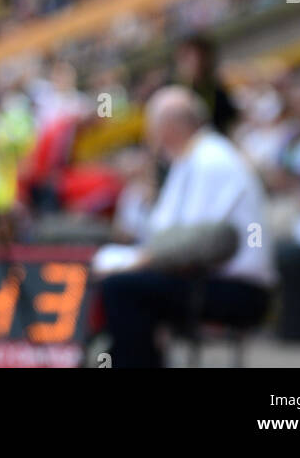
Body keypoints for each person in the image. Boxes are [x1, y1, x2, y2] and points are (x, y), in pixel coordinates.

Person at [98, 86, 274, 367]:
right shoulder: (194, 157)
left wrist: (138, 262)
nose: (150, 138)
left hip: (238, 289)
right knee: (120, 288)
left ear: (169, 127)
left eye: (152, 128)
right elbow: (164, 235)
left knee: (121, 288)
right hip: (213, 278)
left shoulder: (210, 160)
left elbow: (188, 246)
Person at [174, 34, 239, 137]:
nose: (193, 63)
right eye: (187, 58)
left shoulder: (217, 89)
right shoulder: (176, 95)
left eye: (197, 57)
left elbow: (230, 119)